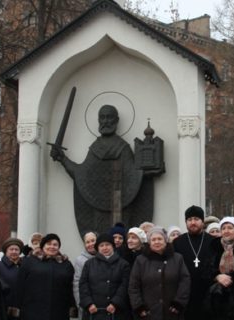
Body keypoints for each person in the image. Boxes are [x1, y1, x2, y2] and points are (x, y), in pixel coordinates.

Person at [50, 105, 154, 236]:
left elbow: (133, 175)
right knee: (101, 239)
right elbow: (82, 174)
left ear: (116, 120)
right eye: (102, 117)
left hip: (121, 204)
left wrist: (145, 173)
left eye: (109, 117)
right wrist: (62, 158)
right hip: (98, 205)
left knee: (122, 237)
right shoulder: (95, 147)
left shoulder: (122, 147)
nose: (105, 121)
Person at [10, 233, 76, 320]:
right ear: (42, 246)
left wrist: (72, 306)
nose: (52, 247)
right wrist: (16, 307)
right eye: (48, 244)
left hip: (59, 312)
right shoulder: (29, 261)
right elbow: (20, 286)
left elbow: (70, 288)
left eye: (55, 244)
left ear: (59, 247)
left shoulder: (66, 264)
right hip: (32, 311)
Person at [129, 228, 191, 320]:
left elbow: (185, 282)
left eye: (159, 239)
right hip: (148, 313)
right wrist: (139, 306)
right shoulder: (141, 260)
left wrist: (179, 303)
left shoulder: (177, 259)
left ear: (165, 241)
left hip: (172, 312)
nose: (156, 242)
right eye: (153, 240)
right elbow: (133, 286)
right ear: (149, 243)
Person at [172, 205, 217, 319]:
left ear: (202, 221)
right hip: (185, 296)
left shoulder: (212, 241)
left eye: (196, 219)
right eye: (189, 219)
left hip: (208, 295)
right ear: (186, 222)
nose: (193, 222)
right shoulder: (177, 242)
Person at [79, 233, 131, 320]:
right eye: (101, 245)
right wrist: (89, 303)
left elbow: (125, 285)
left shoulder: (123, 264)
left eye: (107, 244)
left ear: (113, 246)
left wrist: (115, 303)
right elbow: (83, 284)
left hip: (116, 312)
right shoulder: (89, 264)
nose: (105, 248)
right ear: (97, 248)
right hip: (93, 311)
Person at [72, 231, 97, 319]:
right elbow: (76, 283)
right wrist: (81, 304)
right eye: (87, 242)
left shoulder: (105, 257)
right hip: (86, 305)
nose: (91, 244)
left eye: (93, 240)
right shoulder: (80, 260)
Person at [0, 237, 24, 320]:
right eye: (11, 249)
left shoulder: (24, 266)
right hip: (4, 307)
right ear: (6, 251)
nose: (14, 251)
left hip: (22, 307)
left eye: (16, 249)